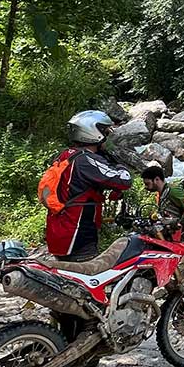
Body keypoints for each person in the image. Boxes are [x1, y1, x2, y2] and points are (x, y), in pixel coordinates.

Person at [42, 110, 133, 261]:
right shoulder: (86, 160)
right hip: (78, 232)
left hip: (60, 228)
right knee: (86, 276)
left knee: (67, 275)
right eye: (104, 131)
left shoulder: (67, 155)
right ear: (92, 131)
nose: (106, 136)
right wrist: (119, 165)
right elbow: (124, 180)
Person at [141, 165, 184, 243]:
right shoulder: (159, 195)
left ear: (156, 179)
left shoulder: (173, 190)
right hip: (175, 231)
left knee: (183, 254)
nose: (145, 187)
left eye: (147, 183)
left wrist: (180, 225)